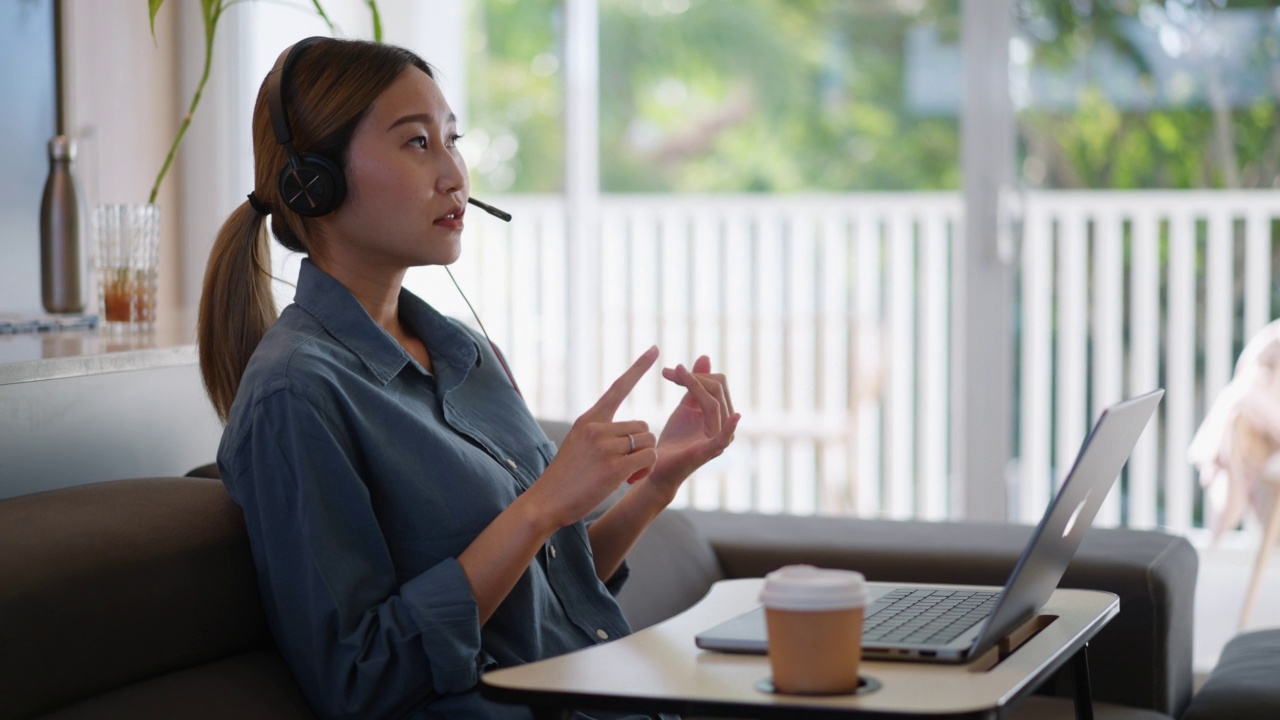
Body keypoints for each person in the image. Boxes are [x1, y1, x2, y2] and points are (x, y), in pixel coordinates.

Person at [197, 36, 740, 720]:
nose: (455, 173)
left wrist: (657, 481)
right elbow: (360, 676)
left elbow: (543, 599)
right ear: (316, 179)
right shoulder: (295, 394)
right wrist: (540, 505)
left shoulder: (467, 354)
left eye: (452, 139)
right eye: (417, 143)